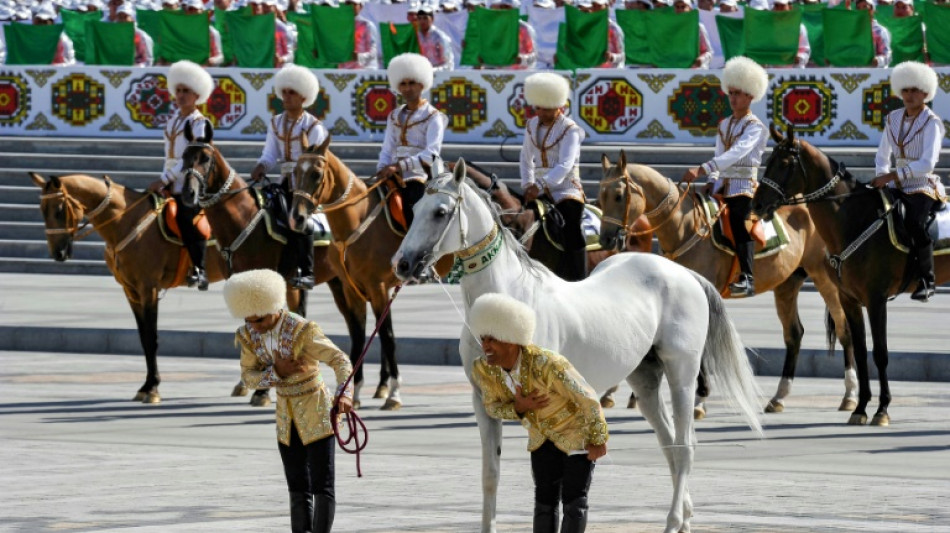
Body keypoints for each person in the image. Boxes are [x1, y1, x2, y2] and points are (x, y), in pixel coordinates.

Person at [224, 268, 354, 533]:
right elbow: (248, 378)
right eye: (249, 321)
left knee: (322, 486)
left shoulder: (303, 330)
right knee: (296, 486)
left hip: (317, 411)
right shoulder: (249, 335)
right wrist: (276, 373)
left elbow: (340, 360)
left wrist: (345, 393)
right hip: (286, 418)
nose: (255, 326)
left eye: (259, 320)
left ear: (275, 306)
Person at [469, 292, 609, 533]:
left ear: (510, 339)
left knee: (575, 502)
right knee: (544, 502)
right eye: (483, 339)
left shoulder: (547, 363)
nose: (485, 347)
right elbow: (491, 407)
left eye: (491, 339)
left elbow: (588, 399)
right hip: (540, 440)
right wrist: (520, 408)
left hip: (577, 436)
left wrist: (598, 439)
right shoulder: (484, 369)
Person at [682, 56, 768, 298]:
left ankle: (748, 277)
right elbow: (720, 154)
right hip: (722, 185)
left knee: (740, 222)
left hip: (744, 186)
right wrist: (711, 180)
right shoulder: (724, 124)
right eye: (730, 93)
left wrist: (703, 169)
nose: (732, 99)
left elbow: (737, 153)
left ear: (750, 95)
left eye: (738, 94)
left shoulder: (756, 127)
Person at [872, 61, 945, 302]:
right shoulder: (892, 118)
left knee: (915, 223)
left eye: (915, 90)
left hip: (922, 184)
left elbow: (927, 163)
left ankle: (927, 280)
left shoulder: (932, 122)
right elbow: (883, 154)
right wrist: (882, 176)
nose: (909, 95)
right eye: (906, 90)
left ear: (926, 93)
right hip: (895, 183)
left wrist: (892, 175)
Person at [250, 65, 329, 290]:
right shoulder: (275, 122)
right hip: (284, 182)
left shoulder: (314, 126)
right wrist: (261, 165)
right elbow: (270, 153)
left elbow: (316, 159)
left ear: (304, 97)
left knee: (298, 218)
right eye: (284, 92)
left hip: (307, 185)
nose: (286, 97)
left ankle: (307, 271)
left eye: (291, 92)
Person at [146, 60, 215, 290]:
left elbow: (192, 159)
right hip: (170, 182)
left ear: (197, 96)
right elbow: (170, 158)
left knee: (187, 219)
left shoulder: (200, 123)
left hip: (192, 184)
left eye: (187, 91)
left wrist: (164, 180)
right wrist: (164, 181)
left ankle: (200, 269)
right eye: (179, 91)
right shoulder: (172, 123)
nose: (181, 95)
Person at [520, 72, 588, 281]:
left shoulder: (571, 130)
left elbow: (566, 165)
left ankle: (578, 276)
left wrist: (539, 185)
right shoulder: (532, 125)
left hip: (566, 188)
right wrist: (527, 184)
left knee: (571, 223)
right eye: (538, 107)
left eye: (545, 108)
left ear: (559, 105)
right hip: (537, 188)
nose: (540, 112)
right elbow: (525, 156)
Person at [375, 53, 447, 229]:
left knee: (414, 210)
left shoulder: (433, 116)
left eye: (411, 83)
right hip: (393, 174)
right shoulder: (394, 115)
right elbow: (388, 147)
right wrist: (381, 169)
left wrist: (399, 166)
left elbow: (432, 153)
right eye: (403, 84)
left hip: (421, 176)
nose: (407, 88)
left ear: (422, 85)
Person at [414, 2, 455, 71]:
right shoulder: (415, 36)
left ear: (432, 19)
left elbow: (448, 64)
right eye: (419, 18)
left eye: (425, 18)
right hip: (419, 73)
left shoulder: (440, 37)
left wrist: (431, 70)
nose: (422, 21)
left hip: (438, 75)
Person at [114, 2, 154, 67]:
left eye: (125, 17)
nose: (122, 20)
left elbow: (148, 60)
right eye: (120, 17)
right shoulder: (114, 35)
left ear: (132, 18)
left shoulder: (143, 36)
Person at [855, 0, 892, 68]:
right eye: (858, 8)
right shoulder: (853, 31)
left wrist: (878, 61)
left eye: (865, 7)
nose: (861, 10)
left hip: (874, 75)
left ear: (872, 10)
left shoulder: (880, 31)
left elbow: (887, 56)